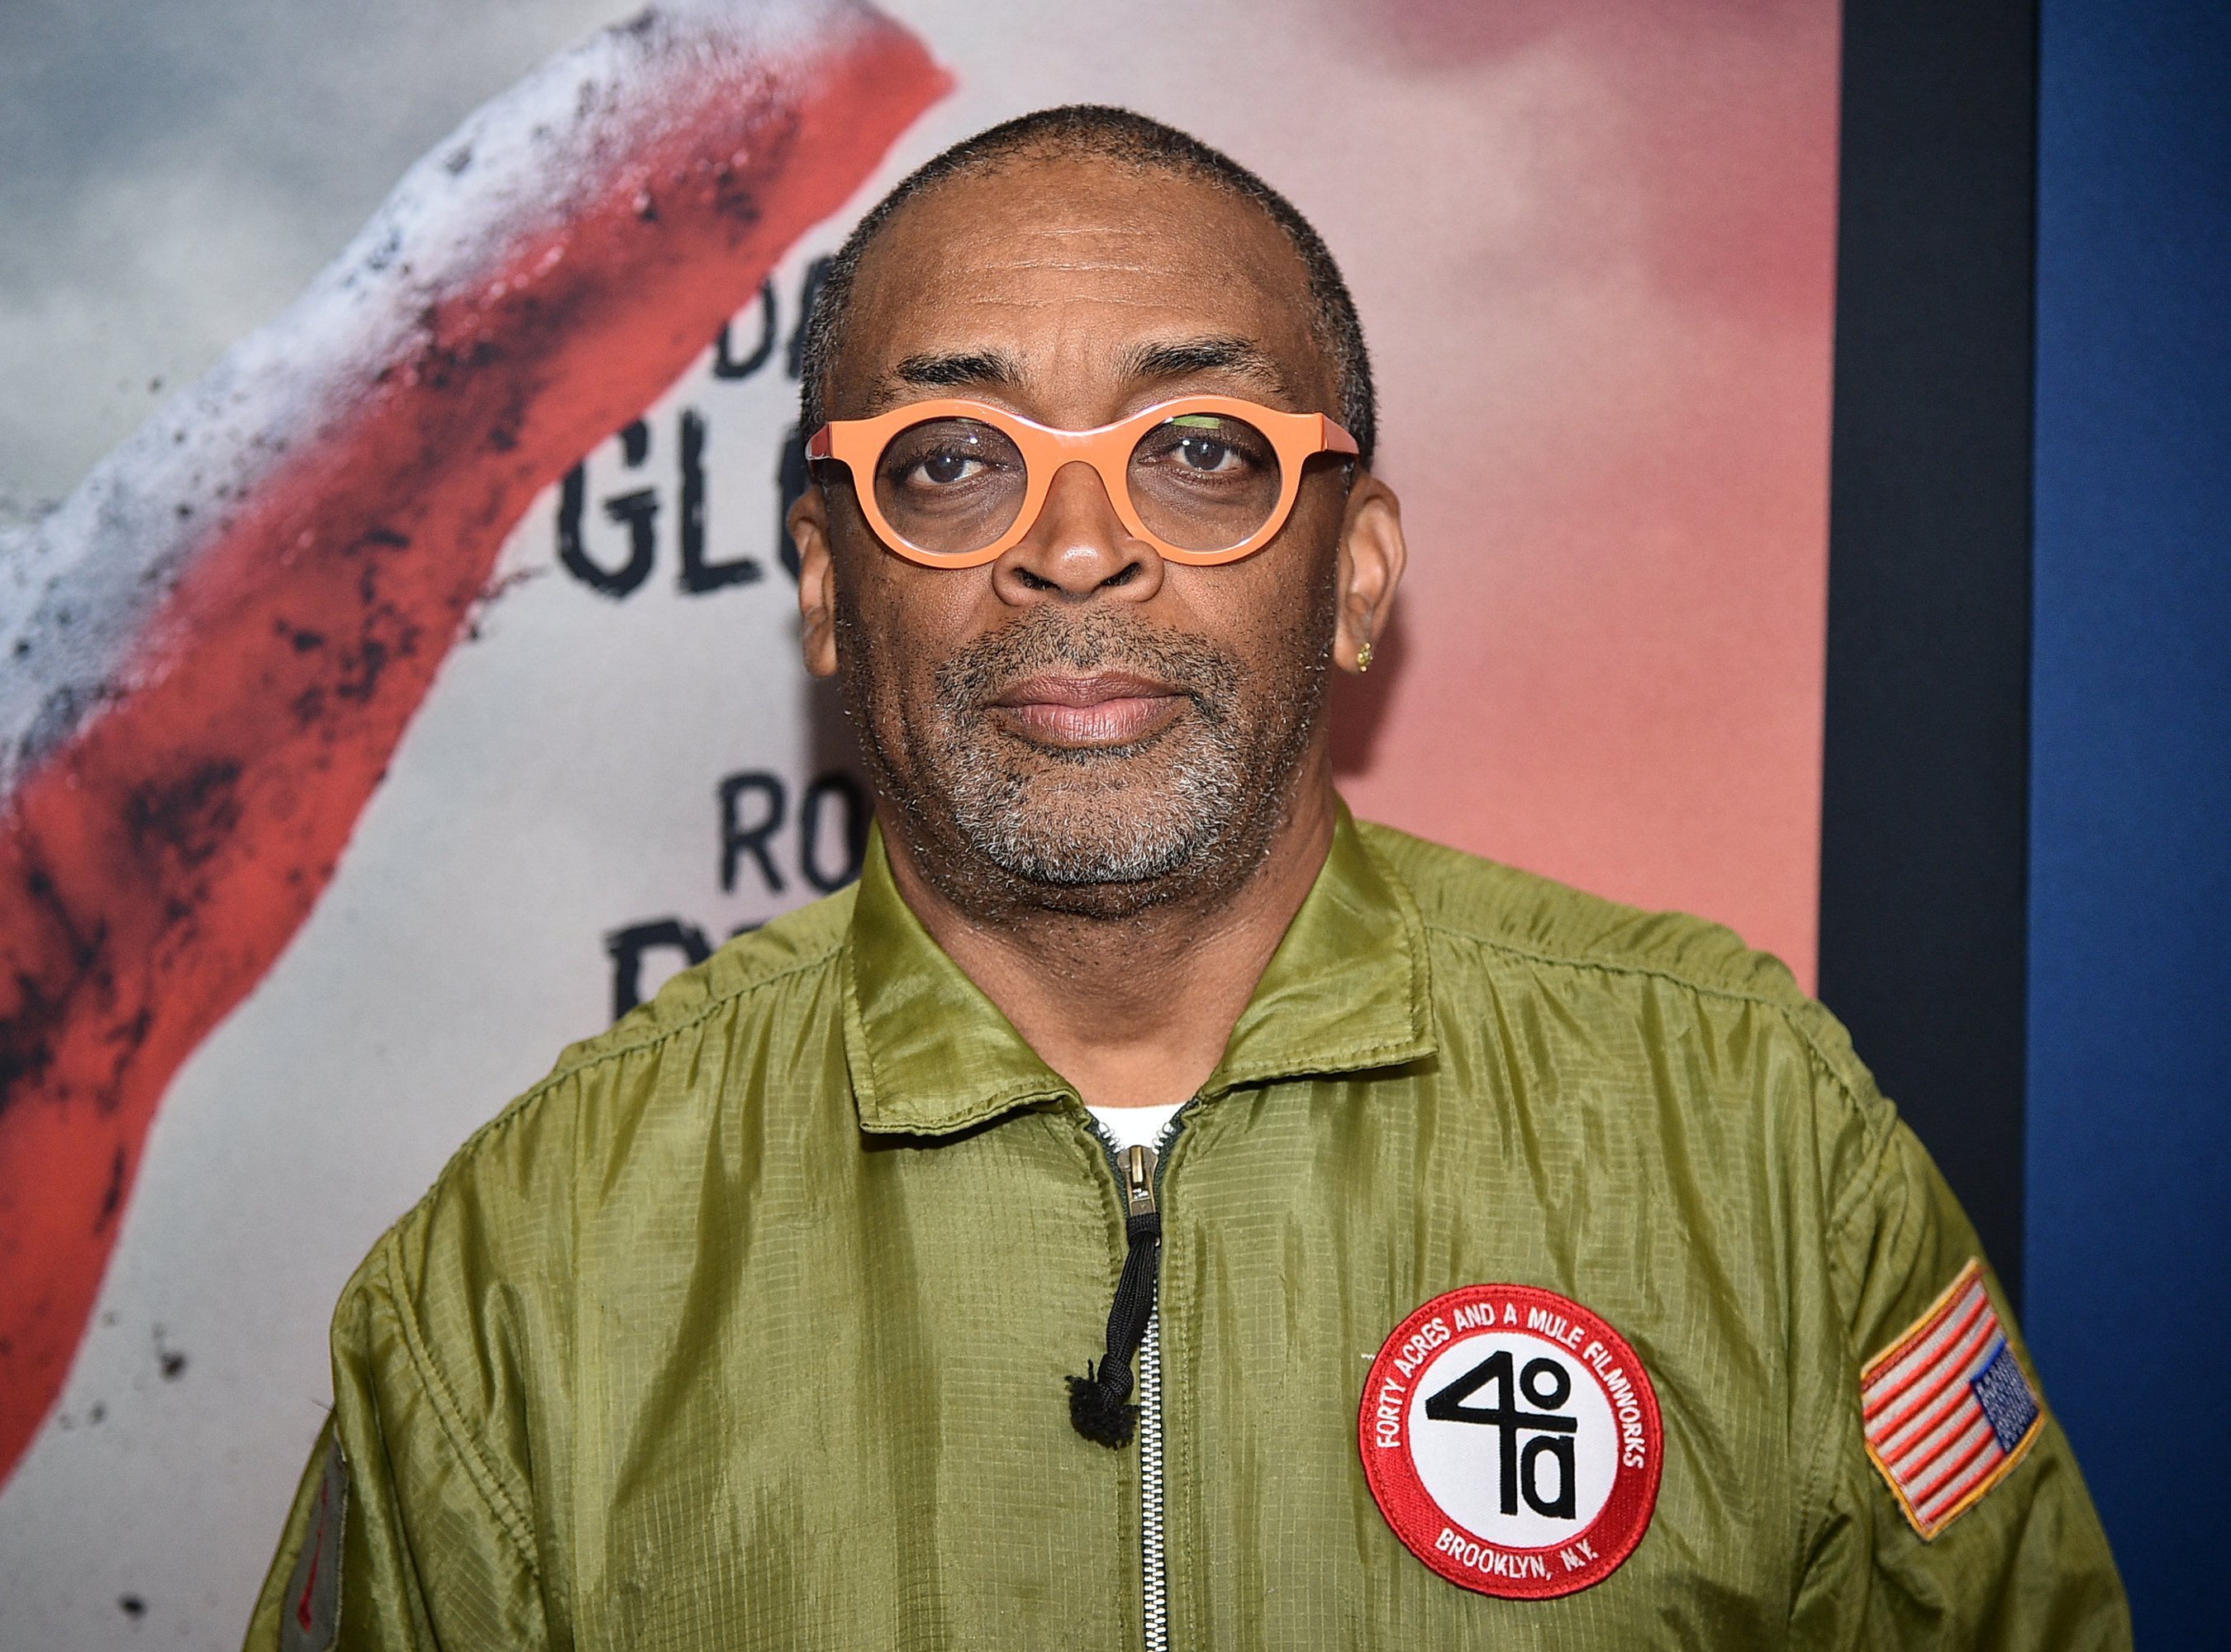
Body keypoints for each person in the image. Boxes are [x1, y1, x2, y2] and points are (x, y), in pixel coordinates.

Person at [247, 106, 2129, 1650]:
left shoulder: (1748, 1137)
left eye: (1201, 450)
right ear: (828, 588)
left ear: (1360, 569)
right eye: (959, 460)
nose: (1078, 549)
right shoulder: (533, 1267)